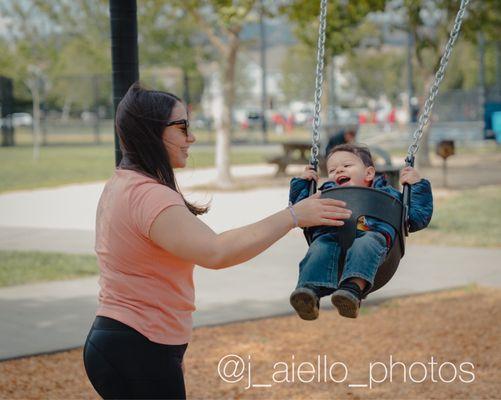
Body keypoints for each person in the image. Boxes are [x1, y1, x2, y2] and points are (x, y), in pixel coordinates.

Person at [82, 82, 352, 400]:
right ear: (152, 132)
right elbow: (216, 252)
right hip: (137, 343)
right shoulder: (147, 195)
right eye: (182, 127)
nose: (191, 137)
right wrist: (293, 216)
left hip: (130, 341)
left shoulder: (126, 184)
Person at [288, 144, 433, 320]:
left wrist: (417, 185)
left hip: (372, 237)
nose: (339, 170)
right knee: (320, 246)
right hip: (332, 238)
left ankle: (351, 292)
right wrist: (303, 183)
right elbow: (299, 212)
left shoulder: (388, 194)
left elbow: (417, 217)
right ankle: (308, 294)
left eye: (347, 166)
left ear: (369, 173)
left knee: (366, 243)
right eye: (332, 169)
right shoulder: (324, 194)